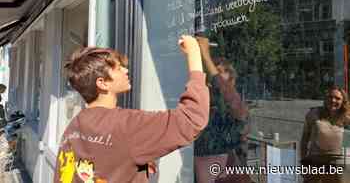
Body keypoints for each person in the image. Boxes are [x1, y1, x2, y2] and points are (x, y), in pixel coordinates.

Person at [54, 35, 210, 183]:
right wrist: (195, 55)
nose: (126, 70)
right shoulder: (127, 125)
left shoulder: (74, 126)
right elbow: (191, 119)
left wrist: (132, 165)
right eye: (118, 68)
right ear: (102, 83)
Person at [194, 37, 250, 183]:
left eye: (218, 73)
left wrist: (205, 56)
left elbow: (225, 91)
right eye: (211, 74)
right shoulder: (207, 110)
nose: (212, 80)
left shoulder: (237, 107)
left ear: (231, 79)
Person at [300, 85, 350, 183]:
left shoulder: (345, 116)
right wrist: (303, 163)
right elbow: (304, 140)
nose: (333, 100)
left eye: (337, 98)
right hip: (314, 162)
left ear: (343, 101)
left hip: (336, 164)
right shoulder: (313, 113)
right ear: (326, 99)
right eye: (330, 97)